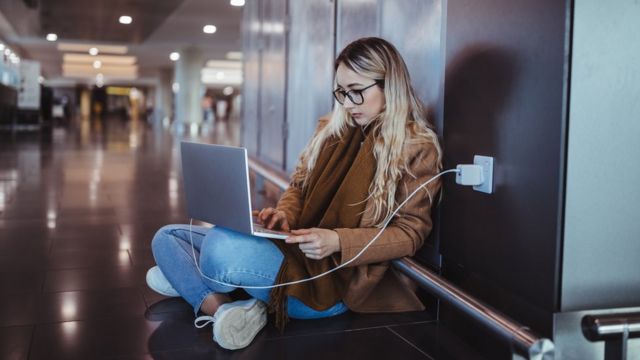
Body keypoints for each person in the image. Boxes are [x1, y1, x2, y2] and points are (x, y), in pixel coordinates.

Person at [146, 37, 443, 350]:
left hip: (332, 283)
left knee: (219, 249)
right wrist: (284, 214)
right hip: (294, 247)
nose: (348, 103)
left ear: (389, 84)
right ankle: (223, 309)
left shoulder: (416, 147)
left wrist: (338, 241)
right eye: (341, 92)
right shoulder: (331, 130)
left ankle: (198, 281)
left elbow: (411, 233)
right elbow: (299, 186)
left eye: (357, 91)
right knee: (165, 237)